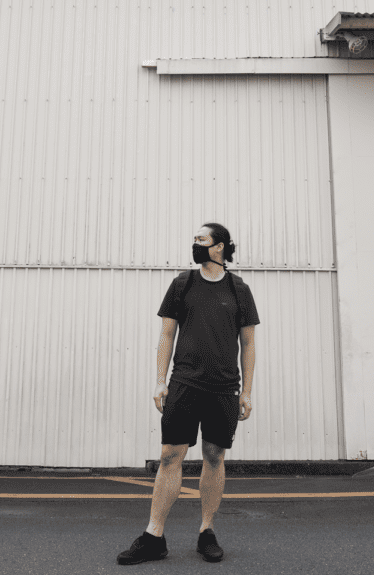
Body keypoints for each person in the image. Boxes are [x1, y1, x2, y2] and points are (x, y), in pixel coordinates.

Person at [117, 223, 259, 565]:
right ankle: (154, 536)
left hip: (224, 387)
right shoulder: (183, 283)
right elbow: (167, 334)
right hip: (184, 383)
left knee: (214, 456)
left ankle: (206, 531)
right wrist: (160, 379)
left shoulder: (239, 290)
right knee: (170, 455)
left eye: (202, 239)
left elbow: (249, 343)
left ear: (220, 247)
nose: (195, 244)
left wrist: (247, 392)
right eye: (194, 239)